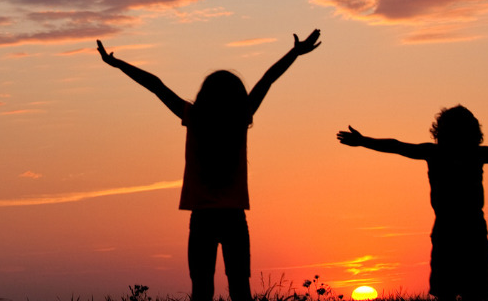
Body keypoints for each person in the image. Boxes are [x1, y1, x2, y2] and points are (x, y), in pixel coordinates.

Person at [97, 30, 322, 301]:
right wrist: (294, 53)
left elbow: (155, 85)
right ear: (237, 95)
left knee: (201, 290)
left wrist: (118, 64)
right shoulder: (240, 116)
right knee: (241, 290)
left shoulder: (195, 117)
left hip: (202, 217)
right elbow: (268, 79)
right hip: (234, 217)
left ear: (205, 94)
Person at [337, 106, 488, 300]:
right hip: (454, 228)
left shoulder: (463, 154)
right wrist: (363, 141)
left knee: (467, 289)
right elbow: (396, 146)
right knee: (453, 289)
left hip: (465, 228)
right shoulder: (448, 153)